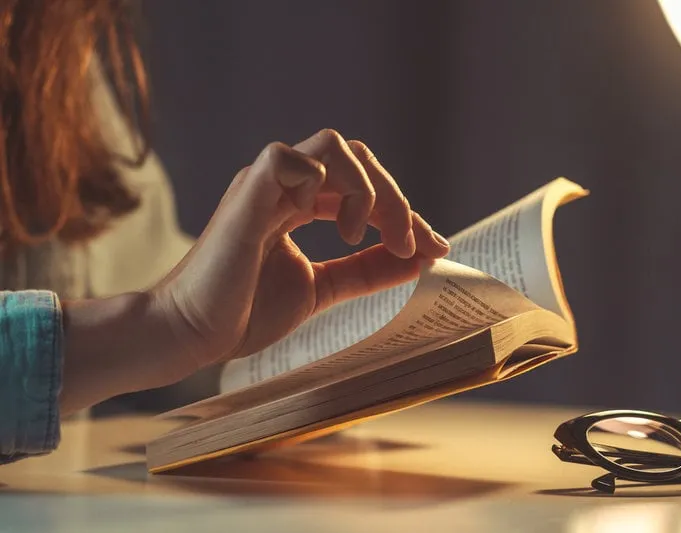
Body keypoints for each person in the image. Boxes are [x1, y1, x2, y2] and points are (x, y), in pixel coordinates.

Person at [0, 1, 450, 463]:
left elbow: (161, 301)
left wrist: (341, 345)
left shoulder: (42, 33)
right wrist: (170, 324)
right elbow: (162, 324)